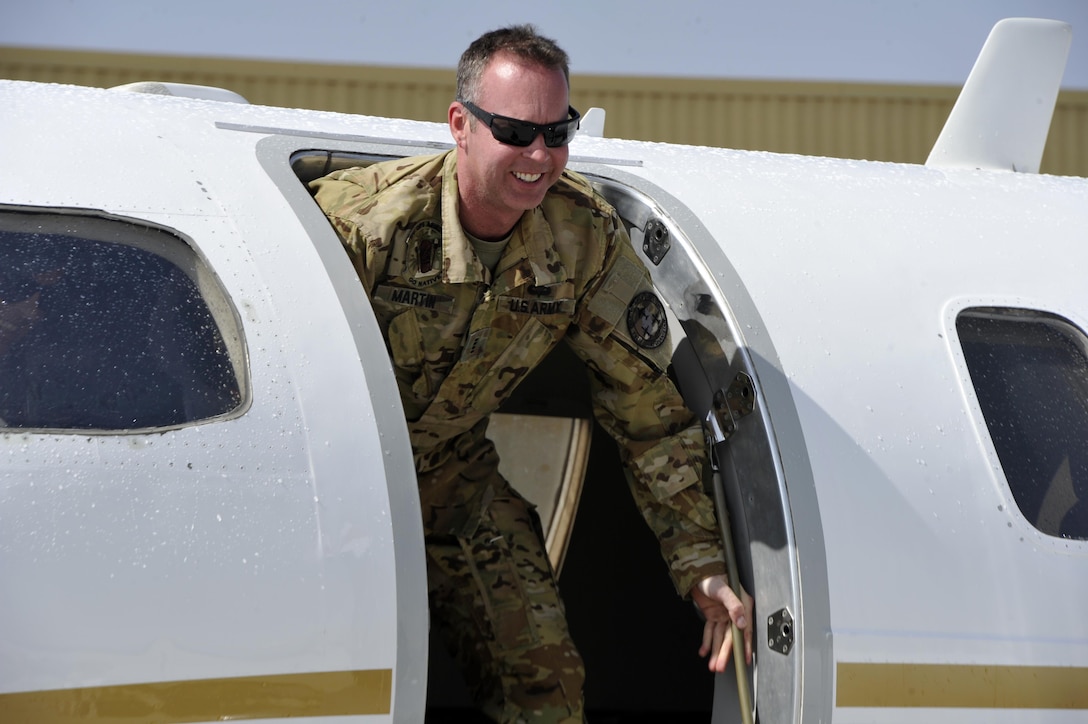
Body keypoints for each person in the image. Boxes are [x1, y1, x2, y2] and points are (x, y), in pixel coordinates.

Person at [311, 24, 753, 723]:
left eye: (559, 132)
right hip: (333, 490)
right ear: (461, 124)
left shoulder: (583, 237)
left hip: (454, 486)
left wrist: (699, 562)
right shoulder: (363, 224)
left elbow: (644, 406)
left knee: (546, 686)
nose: (540, 156)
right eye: (516, 131)